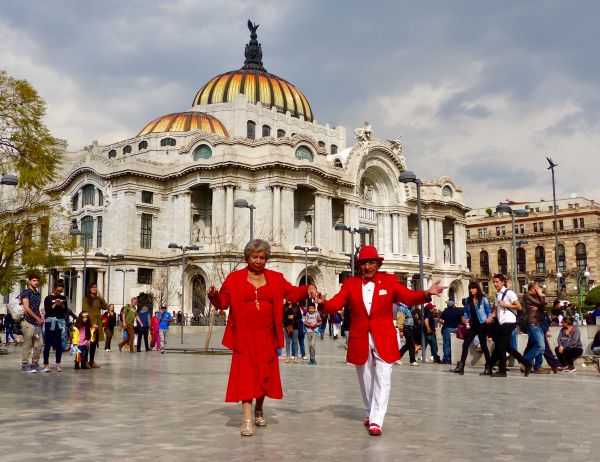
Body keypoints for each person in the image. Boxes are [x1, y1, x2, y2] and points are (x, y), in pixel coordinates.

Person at [318, 245, 445, 436]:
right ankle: (370, 410)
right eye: (363, 263)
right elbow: (335, 304)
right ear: (359, 265)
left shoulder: (389, 281)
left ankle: (377, 420)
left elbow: (409, 297)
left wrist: (427, 293)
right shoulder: (350, 284)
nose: (367, 267)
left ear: (378, 264)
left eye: (371, 263)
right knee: (366, 378)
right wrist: (322, 304)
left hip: (384, 336)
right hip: (360, 336)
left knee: (383, 378)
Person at [208, 239, 318, 437]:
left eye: (262, 257)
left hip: (267, 335)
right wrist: (214, 296)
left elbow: (292, 292)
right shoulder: (234, 278)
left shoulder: (276, 278)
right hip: (244, 336)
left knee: (264, 375)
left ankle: (259, 409)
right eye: (254, 257)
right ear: (247, 258)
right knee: (246, 376)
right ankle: (247, 418)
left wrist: (308, 287)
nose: (258, 261)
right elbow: (223, 303)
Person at [488, 274, 531, 377]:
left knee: (501, 345)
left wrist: (505, 305)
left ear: (503, 282)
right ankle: (526, 363)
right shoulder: (497, 294)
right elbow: (497, 309)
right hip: (501, 322)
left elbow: (518, 306)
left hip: (509, 321)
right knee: (505, 346)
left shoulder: (509, 293)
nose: (495, 284)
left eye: (497, 282)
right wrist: (490, 317)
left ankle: (502, 371)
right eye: (494, 282)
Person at [451, 282, 493, 375]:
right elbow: (465, 311)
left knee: (484, 346)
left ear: (477, 289)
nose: (471, 290)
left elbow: (488, 311)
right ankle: (461, 367)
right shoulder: (467, 300)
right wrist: (466, 318)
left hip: (482, 325)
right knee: (465, 344)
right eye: (470, 288)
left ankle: (488, 367)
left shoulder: (483, 299)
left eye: (473, 288)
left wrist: (488, 319)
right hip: (472, 326)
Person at [41, 282, 73, 372]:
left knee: (59, 343)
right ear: (54, 288)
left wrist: (62, 305)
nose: (60, 293)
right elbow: (47, 311)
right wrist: (55, 304)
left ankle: (58, 364)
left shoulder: (63, 298)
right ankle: (46, 364)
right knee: (48, 343)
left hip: (60, 321)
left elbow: (66, 310)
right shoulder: (48, 298)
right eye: (58, 291)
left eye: (61, 291)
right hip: (50, 321)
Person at [20, 273, 44, 373]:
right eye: (34, 280)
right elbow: (26, 308)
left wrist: (40, 318)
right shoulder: (26, 292)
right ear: (29, 281)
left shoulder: (38, 294)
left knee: (39, 344)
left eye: (37, 281)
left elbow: (36, 308)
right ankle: (25, 365)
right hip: (27, 321)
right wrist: (37, 318)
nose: (36, 282)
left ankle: (35, 364)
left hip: (36, 323)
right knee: (28, 344)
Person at [82, 283, 108, 368]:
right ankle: (85, 361)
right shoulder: (86, 298)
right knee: (87, 343)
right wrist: (90, 323)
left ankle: (92, 361)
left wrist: (101, 297)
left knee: (94, 343)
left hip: (98, 323)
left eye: (95, 287)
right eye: (92, 287)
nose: (94, 288)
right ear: (89, 288)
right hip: (90, 323)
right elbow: (84, 311)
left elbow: (105, 307)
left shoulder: (98, 299)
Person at [438, 300, 462, 364]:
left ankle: (446, 359)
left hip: (447, 329)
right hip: (456, 329)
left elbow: (440, 320)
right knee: (452, 344)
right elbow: (461, 320)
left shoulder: (445, 312)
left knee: (446, 344)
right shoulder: (458, 312)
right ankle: (452, 358)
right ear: (453, 305)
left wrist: (444, 324)